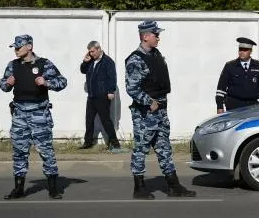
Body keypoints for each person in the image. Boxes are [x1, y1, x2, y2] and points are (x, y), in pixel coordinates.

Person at [125, 20, 196, 199]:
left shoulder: (155, 54)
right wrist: (149, 102)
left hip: (161, 112)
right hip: (145, 113)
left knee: (164, 148)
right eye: (156, 35)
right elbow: (132, 88)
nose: (158, 38)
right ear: (145, 36)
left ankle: (174, 186)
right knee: (141, 149)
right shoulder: (135, 59)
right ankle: (139, 188)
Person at [0, 35, 67, 200]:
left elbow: (62, 82)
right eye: (14, 47)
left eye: (19, 47)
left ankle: (53, 188)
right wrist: (7, 83)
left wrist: (47, 83)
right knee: (19, 152)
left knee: (46, 151)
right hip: (19, 114)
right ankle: (19, 188)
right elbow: (3, 85)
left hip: (39, 114)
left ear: (29, 46)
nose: (16, 50)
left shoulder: (44, 64)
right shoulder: (13, 65)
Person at [79, 41, 121, 150]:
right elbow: (83, 71)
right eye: (89, 52)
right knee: (89, 119)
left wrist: (111, 91)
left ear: (98, 49)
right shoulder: (90, 61)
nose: (91, 54)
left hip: (102, 95)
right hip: (92, 95)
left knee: (105, 120)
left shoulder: (108, 61)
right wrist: (85, 62)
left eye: (92, 51)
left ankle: (115, 143)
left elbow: (112, 77)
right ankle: (88, 142)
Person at [215, 37, 259, 114]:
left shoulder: (258, 66)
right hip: (233, 106)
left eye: (245, 50)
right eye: (240, 49)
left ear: (250, 51)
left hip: (252, 106)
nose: (242, 52)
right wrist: (219, 107)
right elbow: (221, 89)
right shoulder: (230, 66)